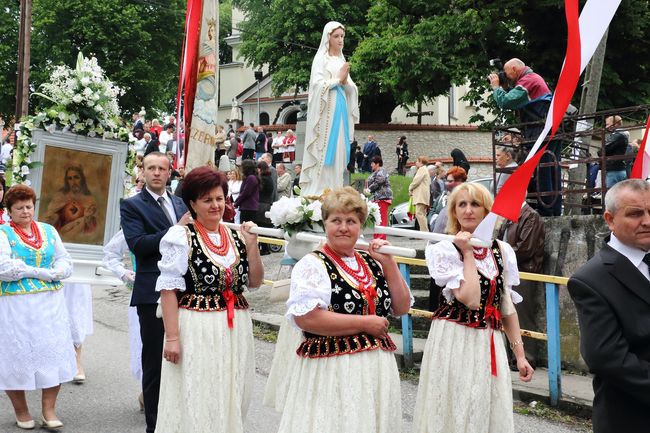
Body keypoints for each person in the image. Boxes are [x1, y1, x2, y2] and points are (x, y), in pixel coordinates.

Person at [278, 186, 411, 433]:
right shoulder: (313, 264)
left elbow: (401, 307)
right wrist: (365, 323)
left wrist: (390, 264)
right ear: (324, 224)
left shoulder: (372, 262)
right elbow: (307, 318)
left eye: (351, 221)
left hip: (375, 371)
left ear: (360, 226)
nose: (343, 227)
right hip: (333, 370)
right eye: (336, 220)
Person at [414, 183, 534, 433]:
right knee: (455, 406)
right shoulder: (445, 249)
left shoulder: (502, 250)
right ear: (454, 212)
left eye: (475, 204)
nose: (468, 211)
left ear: (487, 210)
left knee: (486, 406)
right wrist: (467, 254)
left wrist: (520, 355)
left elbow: (506, 307)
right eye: (462, 205)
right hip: (454, 339)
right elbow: (469, 298)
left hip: (488, 339)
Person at [154, 167, 263, 433]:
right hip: (197, 327)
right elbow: (168, 290)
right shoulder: (181, 237)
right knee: (199, 391)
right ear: (192, 203)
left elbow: (255, 282)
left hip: (235, 327)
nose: (215, 205)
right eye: (207, 200)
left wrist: (252, 245)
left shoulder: (236, 236)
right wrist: (172, 338)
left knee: (232, 391)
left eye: (219, 198)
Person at [567, 179, 650, 432]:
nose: (647, 220)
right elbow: (606, 357)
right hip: (631, 419)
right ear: (610, 220)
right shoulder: (590, 280)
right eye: (635, 214)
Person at [120, 152, 189, 433]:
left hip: (184, 290)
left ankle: (179, 421)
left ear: (170, 172)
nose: (157, 173)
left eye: (162, 168)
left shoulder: (180, 202)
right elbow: (139, 244)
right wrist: (176, 230)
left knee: (184, 358)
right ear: (143, 172)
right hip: (151, 292)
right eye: (151, 168)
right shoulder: (132, 205)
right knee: (155, 363)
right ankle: (154, 426)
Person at [0, 184, 75, 430]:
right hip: (16, 305)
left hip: (50, 304)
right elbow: (5, 270)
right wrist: (44, 272)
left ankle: (49, 410)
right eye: (19, 208)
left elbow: (64, 261)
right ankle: (21, 411)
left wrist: (57, 271)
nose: (25, 211)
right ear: (9, 211)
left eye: (29, 206)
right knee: (16, 355)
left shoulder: (48, 230)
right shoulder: (2, 233)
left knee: (51, 352)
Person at [489, 58, 561, 216]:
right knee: (551, 170)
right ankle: (553, 210)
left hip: (540, 131)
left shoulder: (528, 80)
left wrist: (496, 87)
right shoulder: (533, 79)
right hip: (548, 130)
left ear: (514, 69)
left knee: (543, 171)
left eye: (507, 73)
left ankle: (546, 212)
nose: (506, 77)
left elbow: (506, 101)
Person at [300, 21, 359, 197]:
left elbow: (352, 88)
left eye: (342, 36)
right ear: (328, 38)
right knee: (324, 148)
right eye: (336, 36)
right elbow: (317, 86)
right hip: (326, 113)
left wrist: (346, 83)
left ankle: (336, 186)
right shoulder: (321, 59)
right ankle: (321, 189)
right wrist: (337, 80)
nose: (340, 40)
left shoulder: (341, 60)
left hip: (340, 111)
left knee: (340, 149)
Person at [496, 202, 545, 367]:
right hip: (510, 270)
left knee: (522, 314)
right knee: (508, 313)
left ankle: (527, 357)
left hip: (523, 270)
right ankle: (513, 357)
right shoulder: (510, 216)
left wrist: (502, 255)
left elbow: (526, 248)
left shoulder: (530, 215)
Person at [102, 228, 144, 411]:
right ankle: (149, 392)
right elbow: (111, 253)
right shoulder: (138, 216)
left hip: (185, 296)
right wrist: (123, 273)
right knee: (147, 346)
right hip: (146, 293)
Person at [42, 165, 98, 240]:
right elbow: (49, 214)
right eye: (70, 178)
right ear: (67, 181)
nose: (73, 182)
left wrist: (87, 218)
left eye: (76, 177)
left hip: (79, 232)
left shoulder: (89, 199)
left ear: (82, 179)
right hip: (60, 231)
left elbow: (93, 226)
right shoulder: (61, 196)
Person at [432, 166, 468, 235]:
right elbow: (433, 209)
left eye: (450, 181)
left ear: (461, 182)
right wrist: (432, 219)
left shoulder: (467, 200)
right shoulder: (443, 196)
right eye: (447, 181)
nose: (447, 184)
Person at [598, 115, 628, 188]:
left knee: (611, 194)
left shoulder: (617, 135)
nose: (606, 127)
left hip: (613, 170)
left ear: (616, 124)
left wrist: (600, 151)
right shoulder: (620, 135)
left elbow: (603, 150)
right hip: (617, 168)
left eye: (608, 124)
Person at [366, 155, 392, 240]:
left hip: (383, 198)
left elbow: (379, 181)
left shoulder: (382, 171)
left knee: (381, 219)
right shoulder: (375, 172)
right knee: (377, 219)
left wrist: (368, 189)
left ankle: (381, 238)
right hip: (377, 198)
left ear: (377, 164)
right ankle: (377, 237)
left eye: (372, 163)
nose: (371, 165)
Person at [408, 156, 431, 232]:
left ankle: (424, 232)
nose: (416, 163)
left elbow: (416, 181)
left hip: (421, 196)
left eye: (417, 161)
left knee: (419, 214)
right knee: (422, 214)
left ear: (421, 162)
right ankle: (423, 231)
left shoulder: (422, 169)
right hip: (423, 195)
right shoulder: (425, 169)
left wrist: (410, 187)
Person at [234, 159, 260, 225]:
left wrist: (236, 203)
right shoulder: (250, 177)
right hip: (248, 207)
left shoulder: (251, 178)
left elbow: (246, 193)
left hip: (249, 208)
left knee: (245, 227)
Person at [257, 160, 274, 255]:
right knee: (264, 227)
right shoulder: (269, 178)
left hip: (262, 204)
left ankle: (264, 248)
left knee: (261, 227)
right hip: (267, 204)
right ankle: (265, 248)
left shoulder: (263, 179)